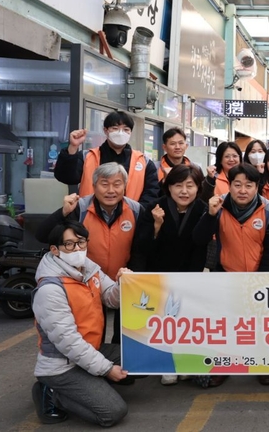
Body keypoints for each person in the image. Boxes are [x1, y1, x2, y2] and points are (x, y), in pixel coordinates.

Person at [36, 163, 152, 344]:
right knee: (92, 333)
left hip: (125, 282)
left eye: (117, 184)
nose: (111, 190)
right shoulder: (80, 208)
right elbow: (43, 236)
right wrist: (63, 212)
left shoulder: (136, 210)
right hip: (89, 281)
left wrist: (133, 277)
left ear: (125, 186)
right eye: (104, 184)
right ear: (94, 185)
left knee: (125, 338)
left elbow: (142, 249)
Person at [31, 220, 131, 426]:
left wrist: (122, 284)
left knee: (139, 359)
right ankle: (51, 392)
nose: (77, 248)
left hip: (91, 349)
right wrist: (106, 369)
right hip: (62, 365)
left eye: (81, 242)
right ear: (55, 250)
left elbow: (111, 299)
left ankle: (89, 382)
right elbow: (69, 342)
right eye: (69, 244)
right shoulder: (50, 289)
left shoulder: (89, 270)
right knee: (113, 412)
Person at [192, 162, 269, 389]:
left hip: (258, 277)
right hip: (226, 276)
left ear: (257, 187)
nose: (242, 190)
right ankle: (223, 367)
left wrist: (261, 279)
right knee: (227, 325)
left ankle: (263, 366)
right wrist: (210, 215)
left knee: (261, 325)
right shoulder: (217, 206)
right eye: (237, 184)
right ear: (229, 186)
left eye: (248, 185)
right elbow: (199, 239)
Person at [141, 165, 208, 386]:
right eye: (178, 185)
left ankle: (186, 364)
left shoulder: (204, 210)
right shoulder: (154, 208)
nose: (184, 191)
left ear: (198, 188)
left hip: (191, 276)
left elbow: (203, 244)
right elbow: (141, 246)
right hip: (160, 276)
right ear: (169, 187)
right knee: (164, 323)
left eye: (190, 185)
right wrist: (156, 226)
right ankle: (166, 366)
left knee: (189, 323)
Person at [54, 110, 159, 207]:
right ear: (105, 130)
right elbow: (66, 177)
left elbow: (152, 193)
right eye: (115, 128)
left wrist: (137, 213)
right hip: (90, 215)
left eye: (126, 129)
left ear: (130, 132)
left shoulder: (144, 162)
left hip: (130, 218)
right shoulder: (87, 157)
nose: (120, 133)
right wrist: (73, 147)